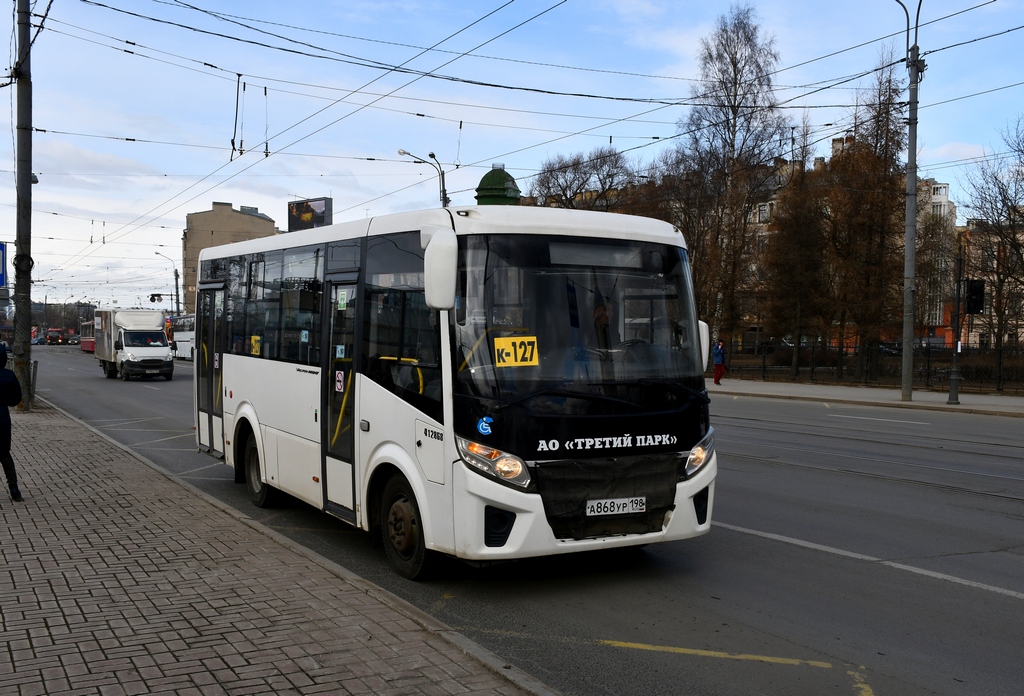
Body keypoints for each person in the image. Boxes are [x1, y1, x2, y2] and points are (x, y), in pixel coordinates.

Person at [0, 345, 24, 502]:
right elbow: (16, 398)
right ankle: (14, 489)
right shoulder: (9, 375)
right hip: (1, 418)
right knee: (4, 453)